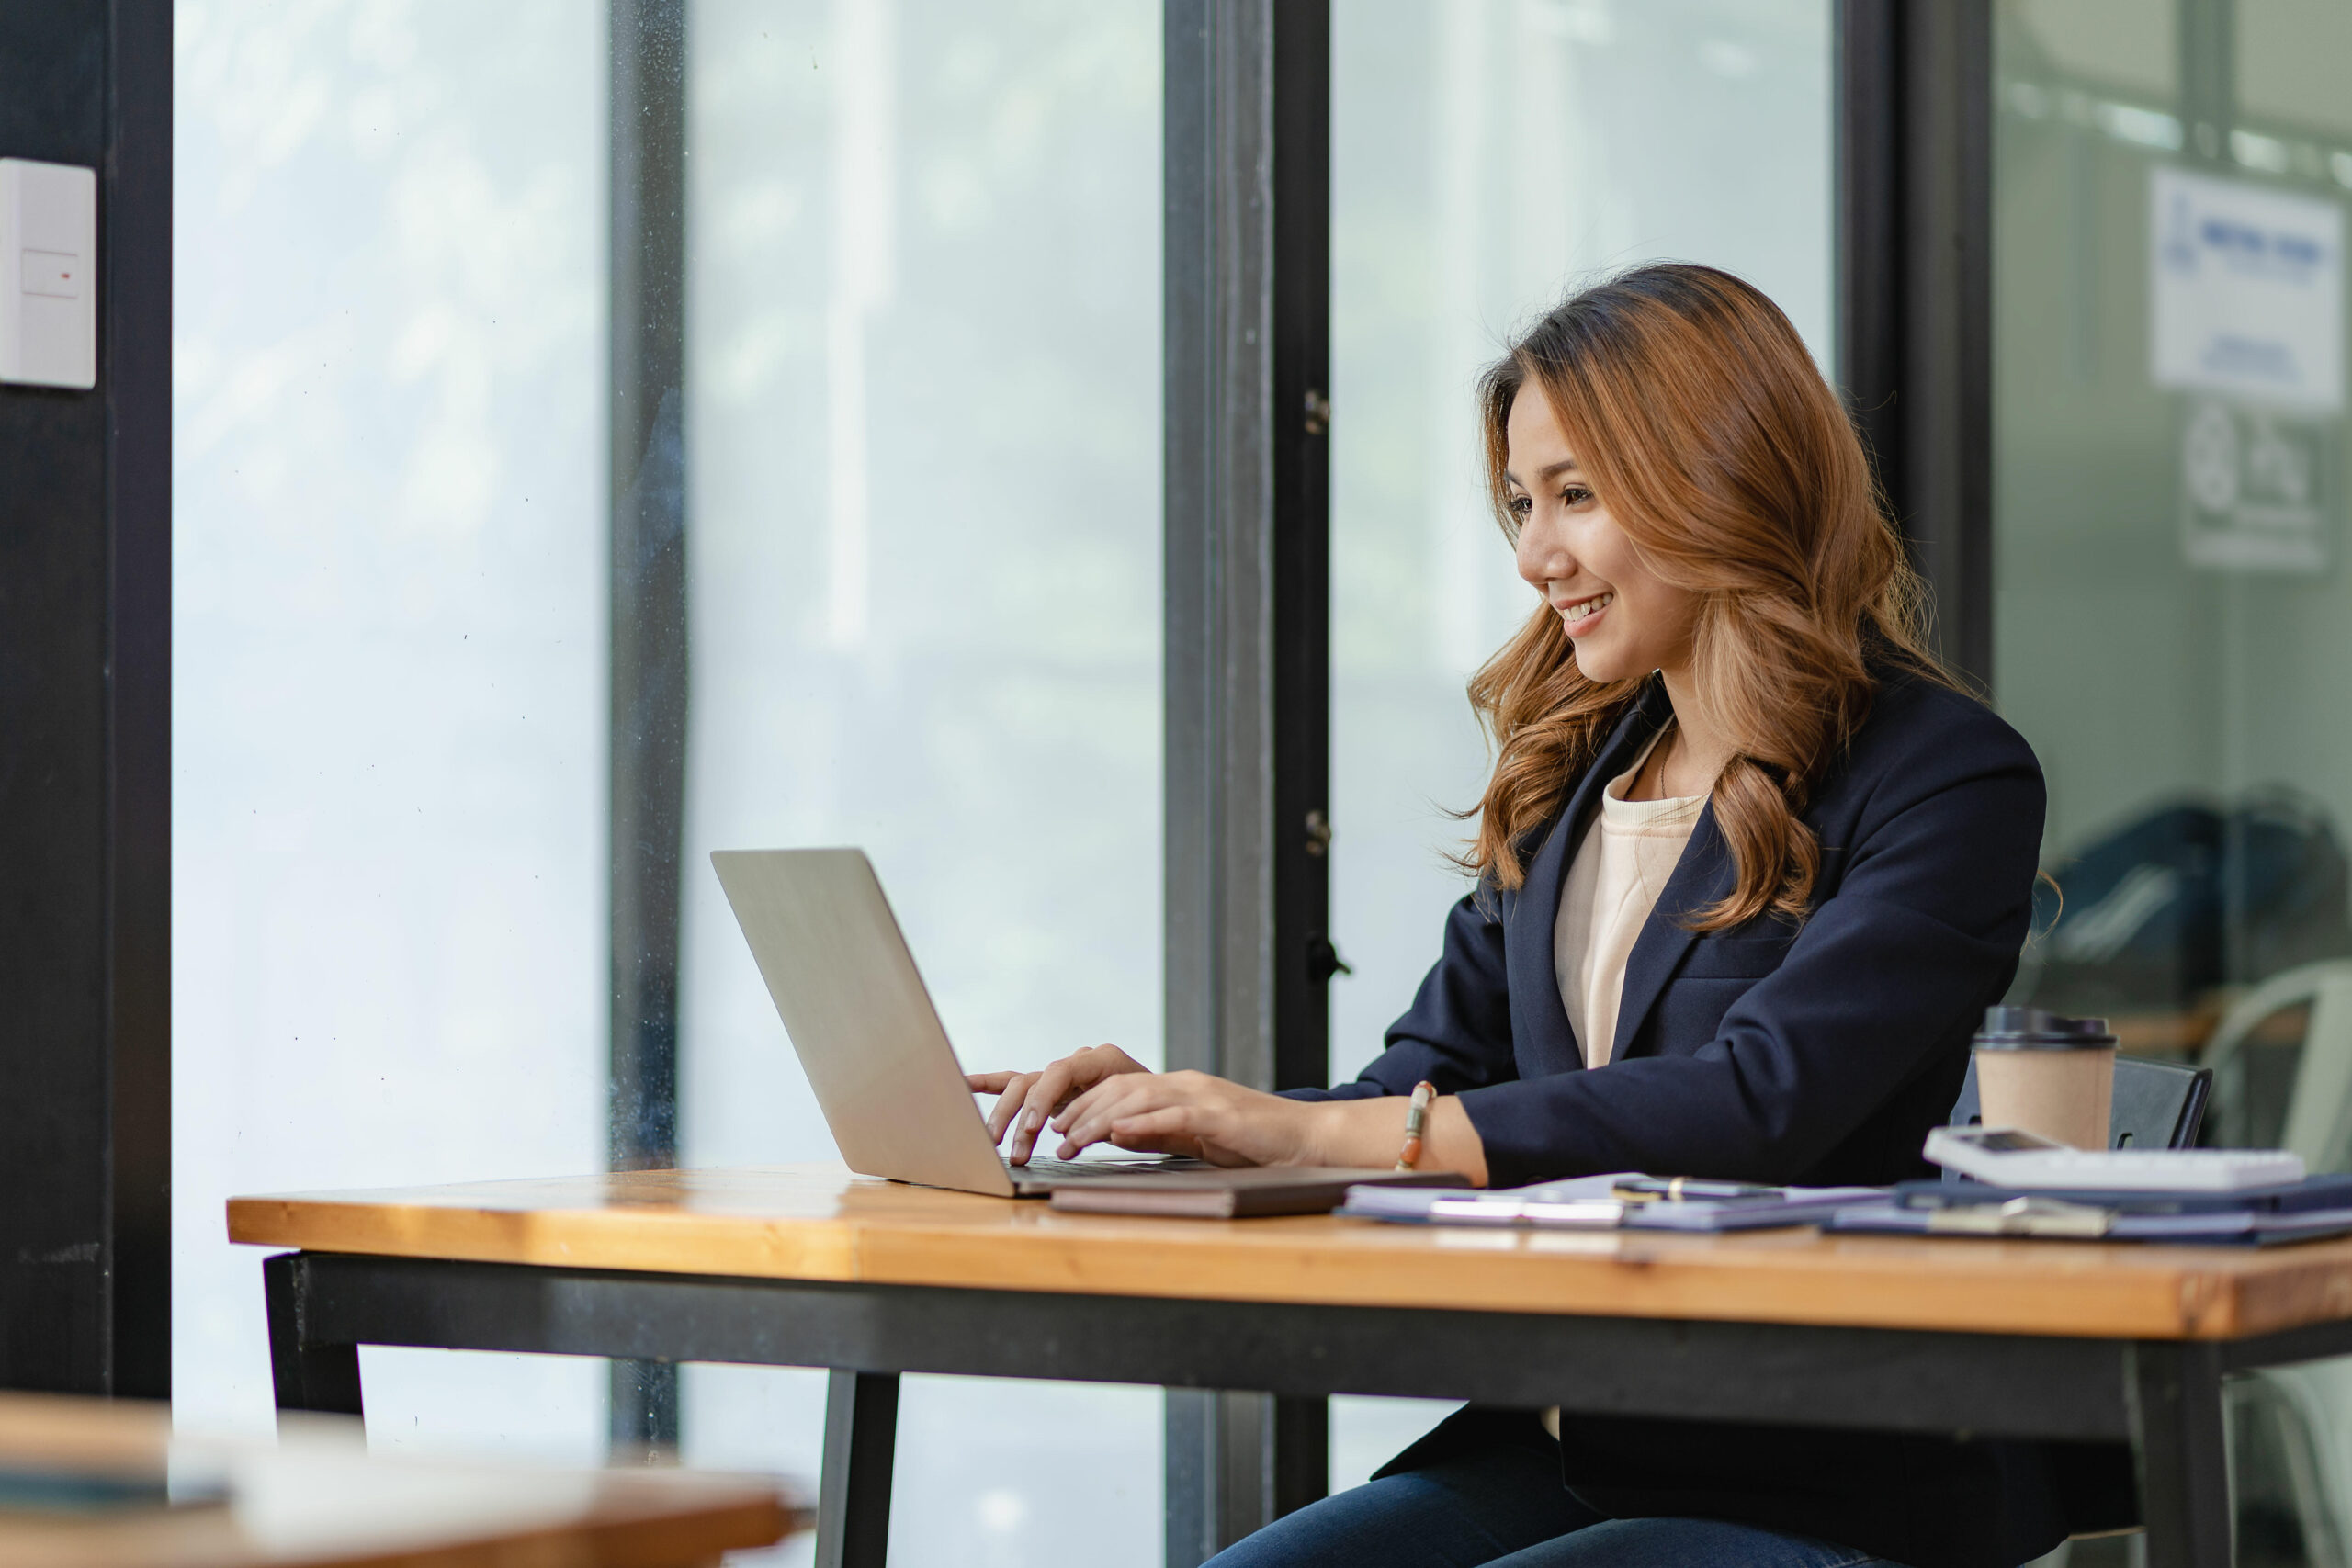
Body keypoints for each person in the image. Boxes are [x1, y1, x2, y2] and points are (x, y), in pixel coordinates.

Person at [968, 264, 2085, 1568]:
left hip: (1816, 1478)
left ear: (1717, 477)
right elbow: (1422, 1086)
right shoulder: (1576, 778)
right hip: (1571, 1444)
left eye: (1574, 496)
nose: (1533, 556)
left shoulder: (1943, 774)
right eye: (1518, 503)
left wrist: (1315, 1128)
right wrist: (1192, 1125)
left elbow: (1764, 1101)